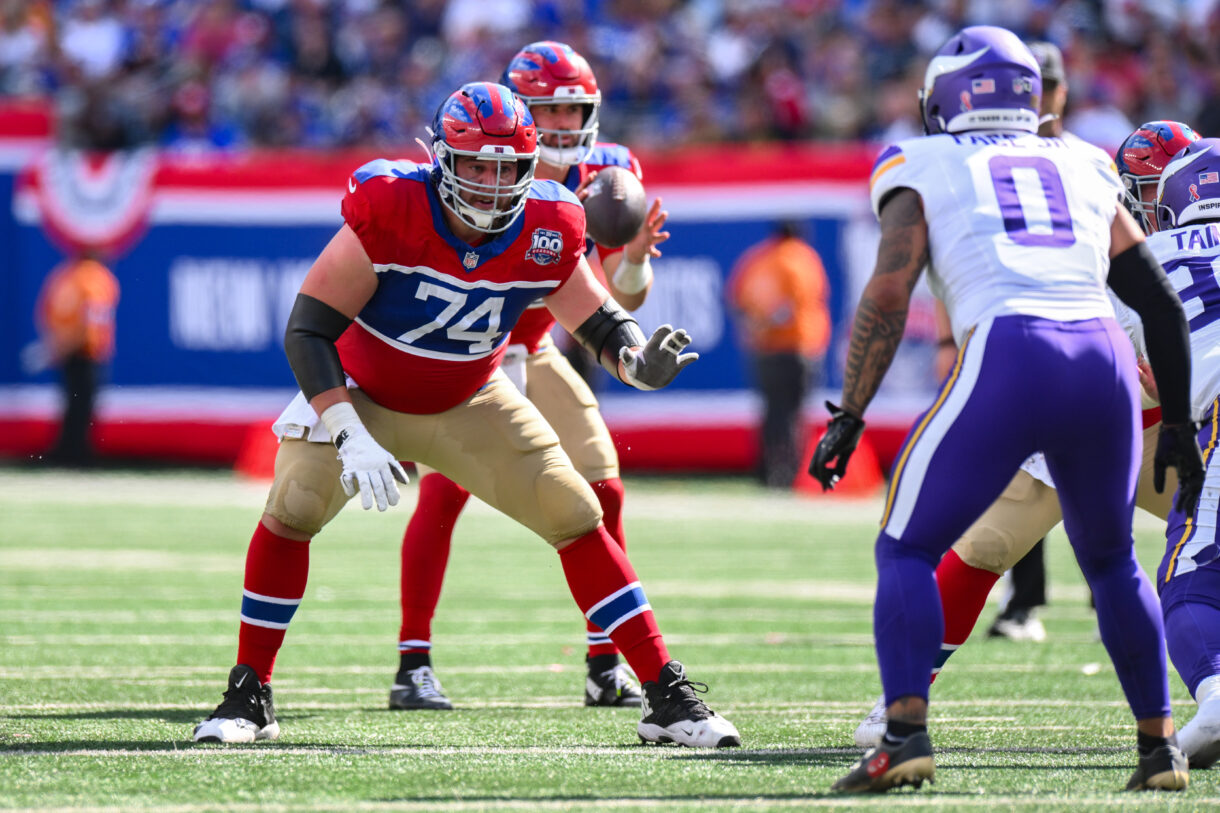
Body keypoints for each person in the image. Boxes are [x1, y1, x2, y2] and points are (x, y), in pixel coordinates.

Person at [191, 82, 740, 750]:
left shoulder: (551, 221)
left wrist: (634, 360)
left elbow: (595, 317)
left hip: (470, 395)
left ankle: (666, 696)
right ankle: (249, 693)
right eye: (477, 163)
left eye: (507, 166)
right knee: (293, 503)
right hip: (364, 391)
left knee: (575, 511)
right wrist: (348, 432)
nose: (491, 181)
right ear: (442, 158)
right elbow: (307, 330)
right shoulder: (391, 205)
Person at [810, 26, 1202, 793]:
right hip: (1102, 359)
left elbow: (889, 292)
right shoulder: (1087, 161)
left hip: (1010, 347)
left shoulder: (919, 159)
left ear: (945, 98)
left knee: (907, 548)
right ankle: (1160, 749)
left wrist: (850, 413)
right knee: (1114, 560)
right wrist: (1181, 424)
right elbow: (1157, 300)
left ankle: (903, 735)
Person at [390, 41, 670, 712]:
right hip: (466, 352)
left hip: (535, 345)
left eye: (576, 111)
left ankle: (606, 662)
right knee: (446, 495)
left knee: (603, 483)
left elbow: (617, 302)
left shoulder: (607, 173)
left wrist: (630, 260)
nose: (567, 127)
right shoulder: (484, 163)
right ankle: (413, 661)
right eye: (552, 110)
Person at [726, 220, 831, 488]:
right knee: (793, 413)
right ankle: (788, 474)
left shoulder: (757, 259)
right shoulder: (802, 259)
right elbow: (792, 307)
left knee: (771, 411)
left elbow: (737, 299)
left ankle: (765, 471)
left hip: (763, 349)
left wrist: (755, 330)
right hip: (798, 346)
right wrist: (769, 324)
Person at [30, 249, 120, 466]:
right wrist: (70, 345)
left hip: (67, 349)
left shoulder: (64, 276)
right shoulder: (95, 278)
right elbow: (90, 322)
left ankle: (67, 451)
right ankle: (76, 454)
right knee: (83, 405)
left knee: (72, 402)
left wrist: (56, 346)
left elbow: (46, 311)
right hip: (86, 351)